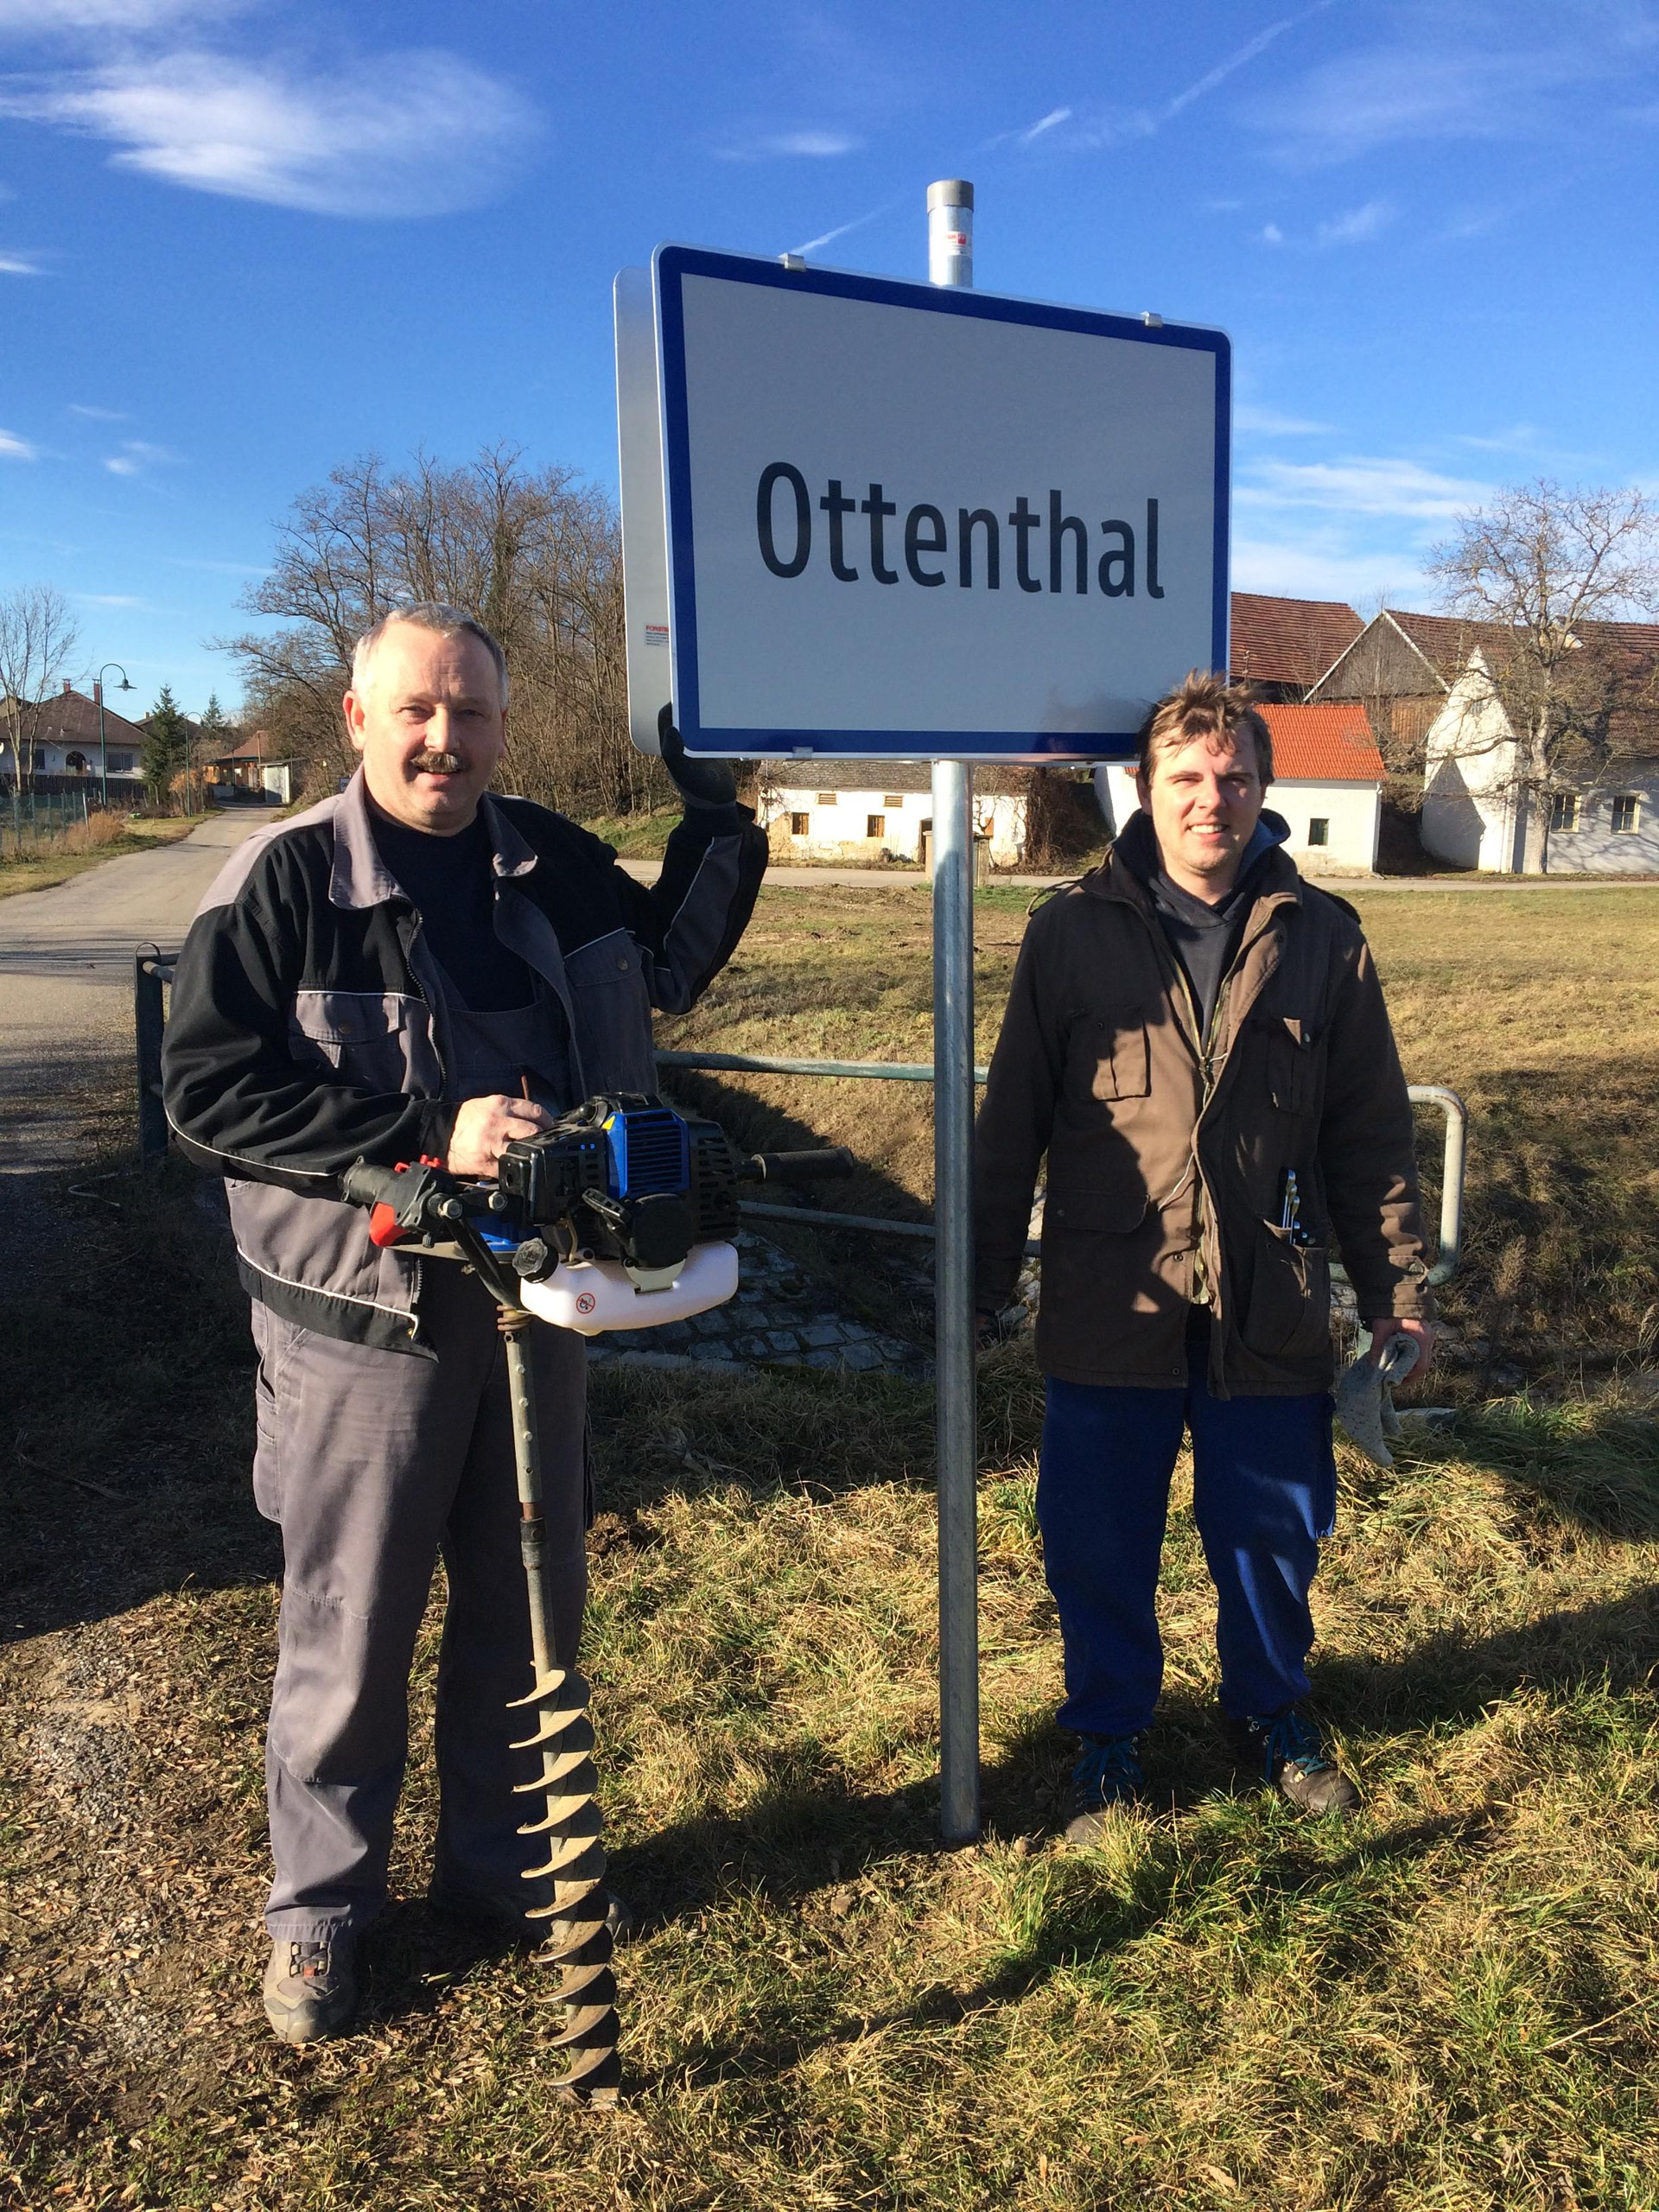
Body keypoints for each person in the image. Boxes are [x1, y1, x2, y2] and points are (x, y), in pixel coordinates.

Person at [162, 604, 766, 2039]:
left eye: (473, 714)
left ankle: (505, 1876)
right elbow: (205, 1092)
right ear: (359, 717)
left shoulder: (543, 856)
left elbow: (660, 960)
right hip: (363, 1325)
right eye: (418, 710)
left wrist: (717, 826)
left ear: (500, 725)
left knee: (525, 1608)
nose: (447, 739)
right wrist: (428, 1137)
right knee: (351, 1624)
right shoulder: (285, 880)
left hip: (540, 1303)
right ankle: (322, 1914)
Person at [973, 671, 1434, 1844]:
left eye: (1233, 777)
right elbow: (1010, 1127)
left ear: (1265, 788)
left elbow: (1368, 1134)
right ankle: (1111, 1739)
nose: (1209, 800)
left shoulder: (1322, 941)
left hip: (1265, 1304)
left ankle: (1270, 1709)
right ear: (1145, 787)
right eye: (1186, 777)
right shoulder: (1070, 935)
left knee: (1274, 1532)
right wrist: (971, 1289)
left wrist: (1398, 1295)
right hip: (1106, 1302)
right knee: (1097, 1537)